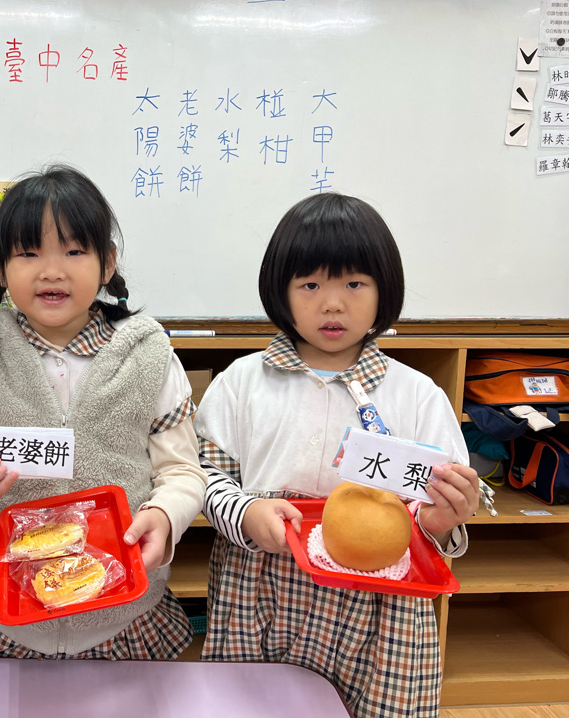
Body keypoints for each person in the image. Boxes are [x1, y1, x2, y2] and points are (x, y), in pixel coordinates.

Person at [195, 193, 479, 717]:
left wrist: (438, 521)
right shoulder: (242, 383)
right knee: (253, 706)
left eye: (354, 284)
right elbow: (206, 475)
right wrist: (246, 512)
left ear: (383, 289)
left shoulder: (417, 395)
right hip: (262, 585)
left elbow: (436, 507)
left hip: (382, 604)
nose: (332, 304)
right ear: (280, 291)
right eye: (310, 285)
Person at [0, 164, 206, 658]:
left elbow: (182, 471)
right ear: (0, 268)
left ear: (107, 262)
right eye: (28, 253)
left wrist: (165, 514)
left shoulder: (149, 358)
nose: (51, 271)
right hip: (1, 611)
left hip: (120, 610)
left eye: (74, 251)